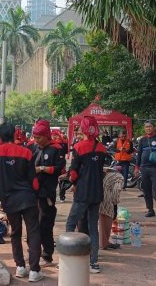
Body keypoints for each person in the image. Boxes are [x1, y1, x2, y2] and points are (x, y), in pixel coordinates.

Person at [0, 123, 44, 283]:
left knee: (15, 233)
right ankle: (34, 270)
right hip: (27, 198)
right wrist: (35, 196)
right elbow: (34, 182)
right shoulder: (26, 152)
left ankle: (20, 267)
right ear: (14, 134)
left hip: (9, 199)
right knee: (33, 232)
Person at [65, 116, 106, 274]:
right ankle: (94, 263)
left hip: (82, 192)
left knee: (70, 223)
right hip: (97, 193)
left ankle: (68, 259)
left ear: (83, 129)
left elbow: (74, 173)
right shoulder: (102, 148)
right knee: (93, 228)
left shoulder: (79, 147)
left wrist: (72, 181)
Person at [28, 120, 66, 268]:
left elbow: (59, 168)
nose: (36, 140)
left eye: (39, 137)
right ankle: (33, 253)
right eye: (35, 137)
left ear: (46, 136)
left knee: (45, 224)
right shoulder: (32, 147)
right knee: (32, 224)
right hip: (32, 191)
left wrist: (42, 168)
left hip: (47, 192)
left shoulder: (56, 148)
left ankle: (47, 254)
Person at [99, 168, 124, 250]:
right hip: (106, 199)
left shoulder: (104, 171)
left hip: (95, 195)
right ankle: (104, 244)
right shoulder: (119, 177)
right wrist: (115, 202)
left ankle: (101, 242)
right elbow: (116, 190)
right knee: (106, 220)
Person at [135, 120, 156, 217]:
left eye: (150, 126)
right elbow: (139, 155)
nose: (148, 128)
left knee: (155, 190)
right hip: (144, 168)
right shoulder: (142, 140)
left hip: (154, 168)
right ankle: (150, 210)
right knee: (146, 190)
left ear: (154, 127)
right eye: (147, 127)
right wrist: (136, 168)